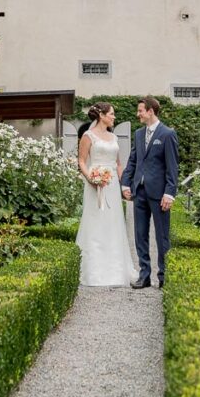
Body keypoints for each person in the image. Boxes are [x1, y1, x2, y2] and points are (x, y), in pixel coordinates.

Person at [75, 102, 138, 286]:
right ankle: (93, 271)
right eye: (111, 114)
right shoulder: (88, 136)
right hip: (94, 184)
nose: (114, 117)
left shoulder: (114, 137)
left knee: (114, 223)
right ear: (101, 115)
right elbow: (81, 161)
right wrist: (91, 179)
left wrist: (124, 184)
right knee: (95, 222)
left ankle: (116, 271)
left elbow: (118, 164)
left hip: (110, 185)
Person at [120, 96, 179, 289]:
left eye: (140, 111)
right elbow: (133, 160)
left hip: (159, 193)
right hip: (140, 192)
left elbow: (172, 167)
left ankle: (163, 276)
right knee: (139, 235)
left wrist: (169, 193)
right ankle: (144, 275)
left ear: (151, 111)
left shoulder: (167, 134)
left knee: (162, 237)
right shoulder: (138, 134)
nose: (138, 114)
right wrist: (126, 184)